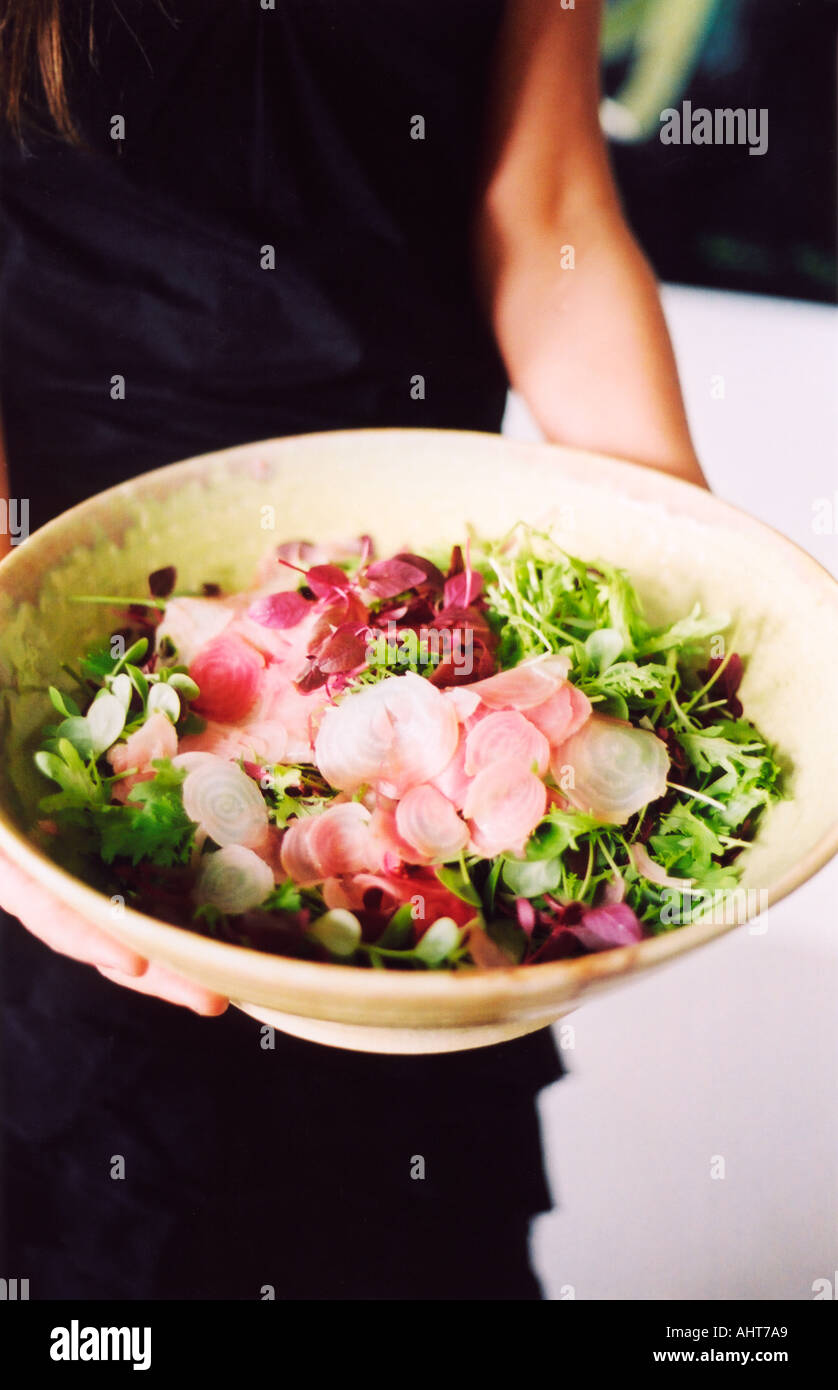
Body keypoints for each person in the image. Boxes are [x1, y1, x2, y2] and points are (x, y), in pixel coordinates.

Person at [0, 0, 705, 1300]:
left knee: (415, 1227)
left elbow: (546, 210)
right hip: (88, 636)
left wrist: (685, 567)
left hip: (430, 630)